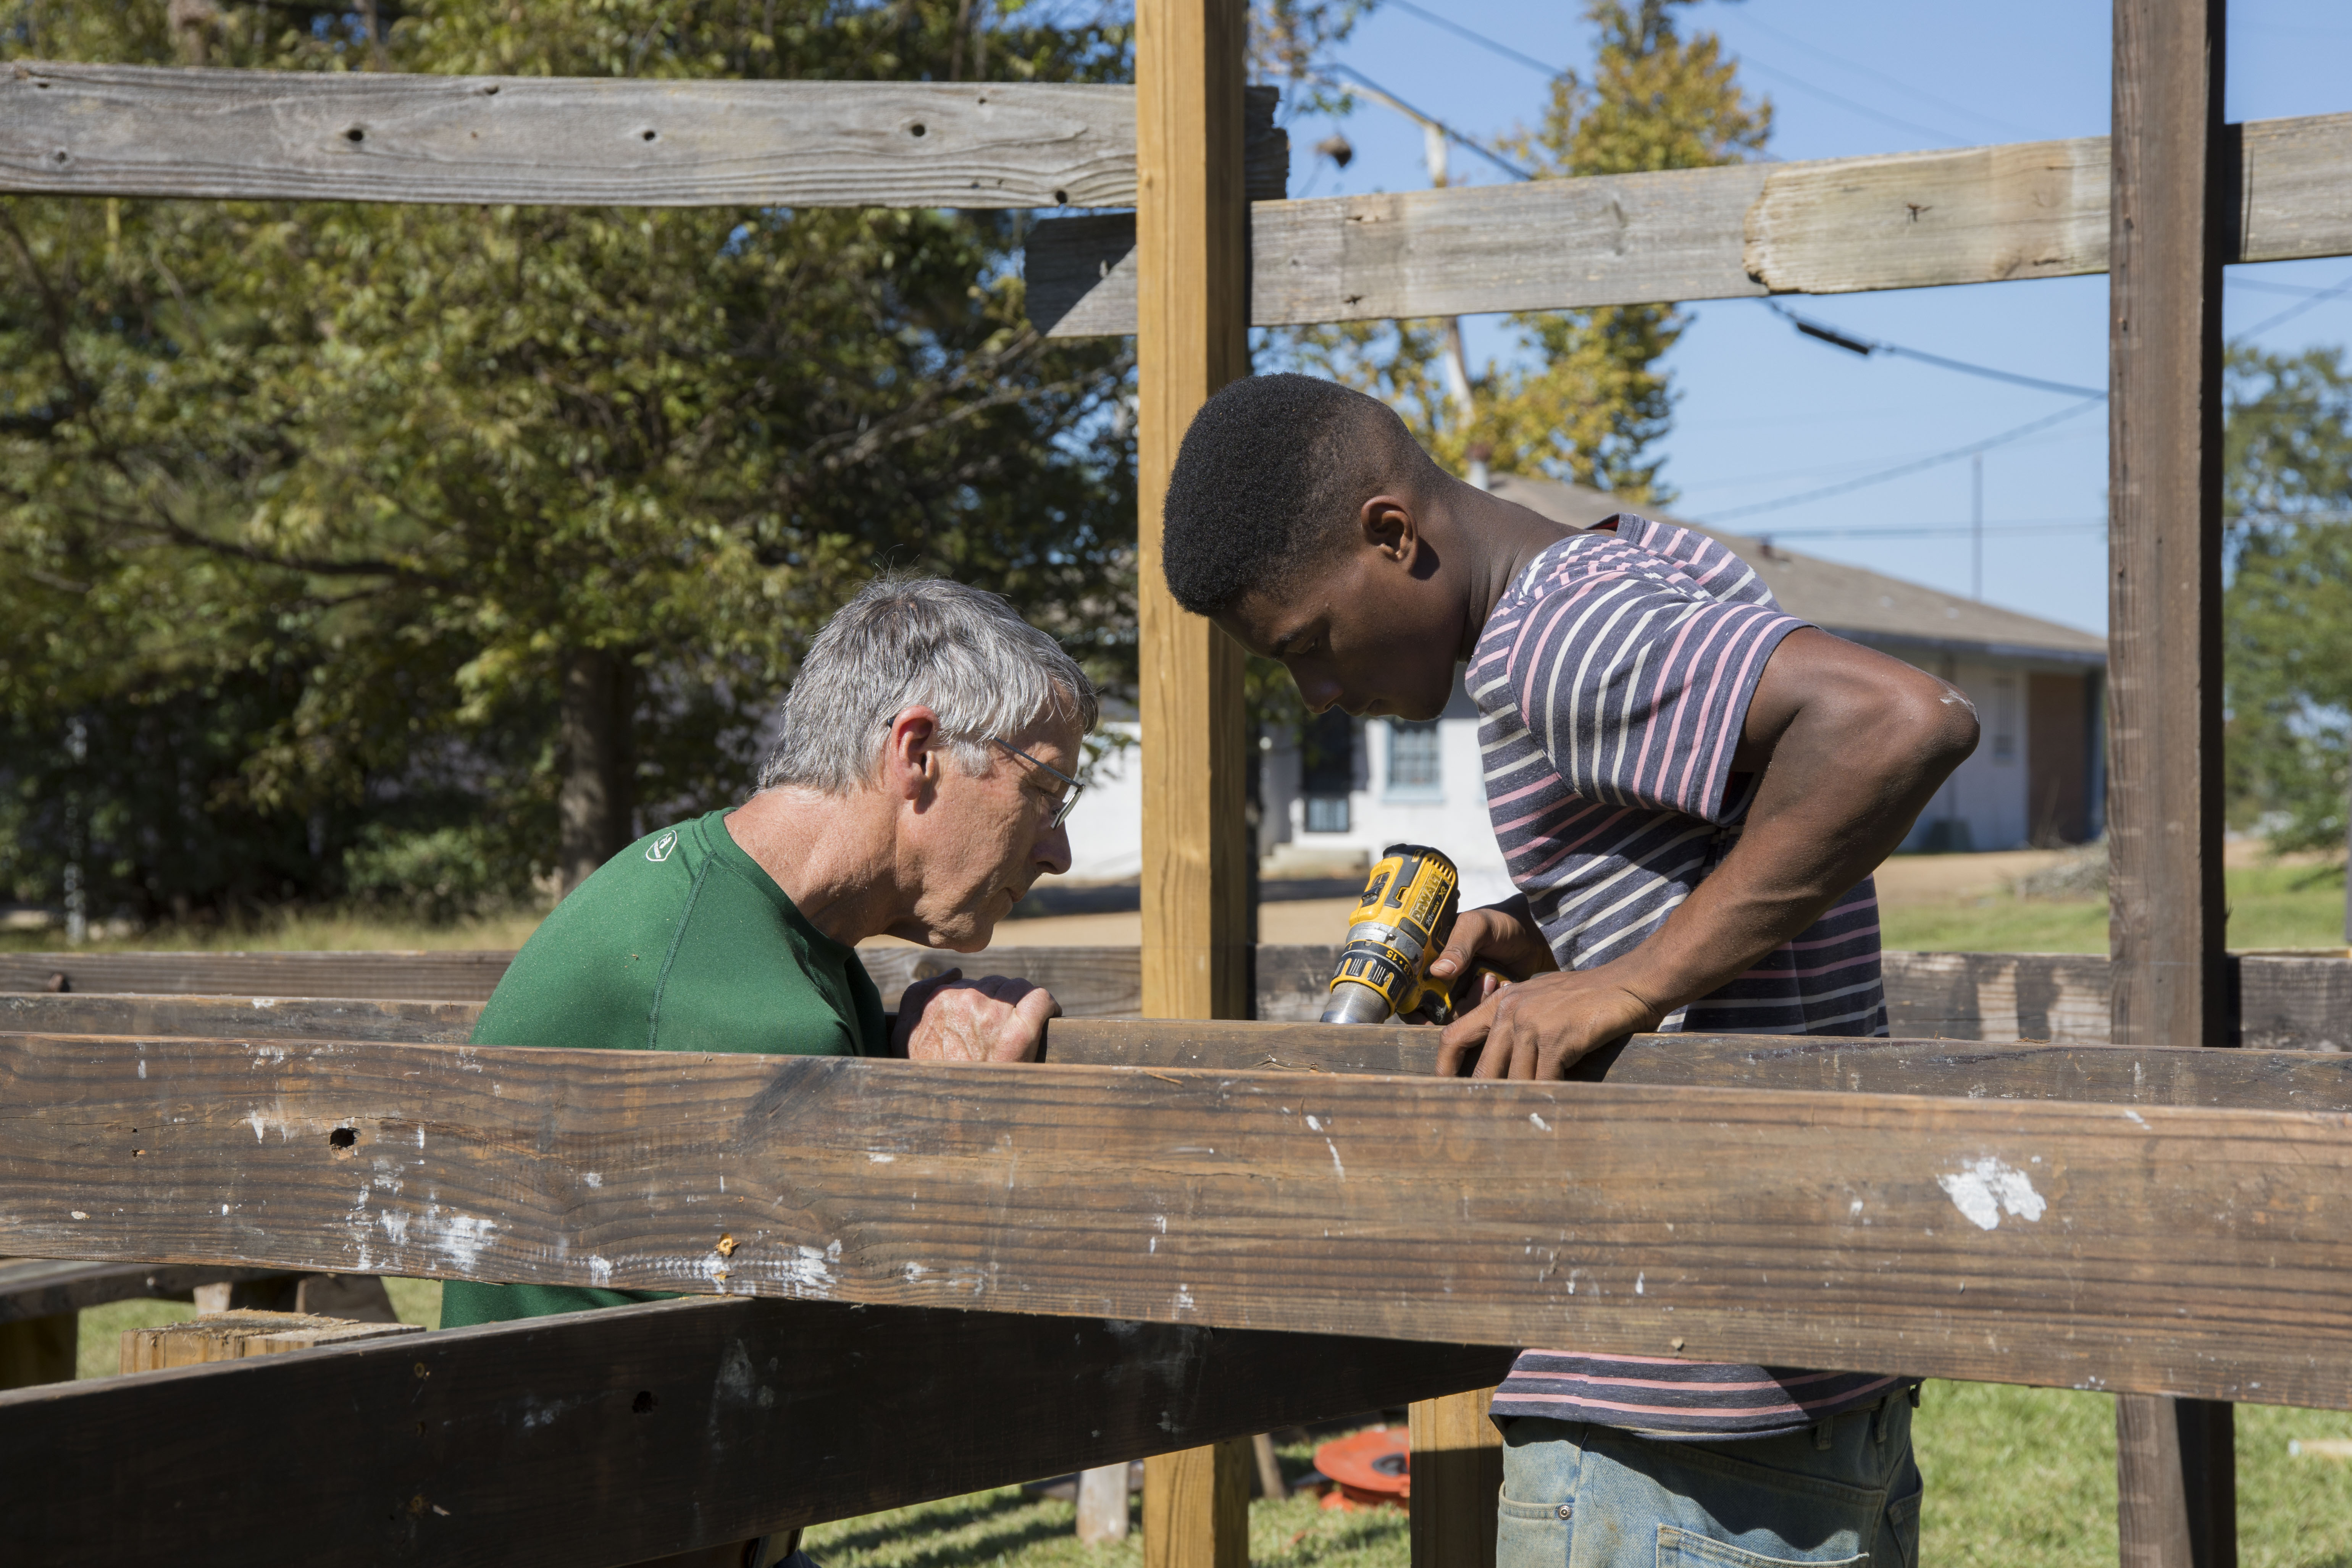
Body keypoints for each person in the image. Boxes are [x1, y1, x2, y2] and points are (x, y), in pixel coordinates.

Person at [1160, 375, 1978, 1568]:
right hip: (1802, 1359)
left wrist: (1628, 980)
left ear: (1392, 535)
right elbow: (1745, 893)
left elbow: (1901, 721)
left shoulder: (1551, 637)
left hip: (1667, 1412)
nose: (1320, 693)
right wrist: (1556, 953)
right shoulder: (1630, 561)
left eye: (1307, 646)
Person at [444, 573, 1095, 1568]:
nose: (1055, 847)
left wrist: (899, 1043)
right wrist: (966, 1124)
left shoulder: (728, 905)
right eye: (1043, 790)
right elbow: (880, 1383)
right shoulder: (740, 1005)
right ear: (917, 755)